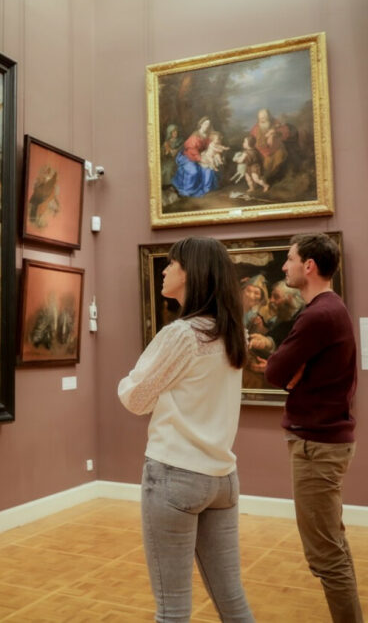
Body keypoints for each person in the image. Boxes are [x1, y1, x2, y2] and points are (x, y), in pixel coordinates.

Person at [118, 237, 254, 622]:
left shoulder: (181, 334)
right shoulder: (233, 333)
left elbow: (135, 399)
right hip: (222, 478)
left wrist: (132, 380)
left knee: (172, 608)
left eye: (172, 264)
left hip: (175, 478)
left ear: (191, 273)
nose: (164, 270)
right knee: (232, 599)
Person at [265, 233, 362, 623]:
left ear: (309, 266)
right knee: (332, 546)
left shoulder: (319, 314)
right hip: (322, 443)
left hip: (317, 447)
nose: (284, 267)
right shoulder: (329, 309)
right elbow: (284, 371)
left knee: (324, 555)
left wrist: (292, 372)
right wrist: (293, 370)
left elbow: (274, 371)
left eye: (289, 260)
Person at [171, 116, 220, 197]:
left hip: (200, 156)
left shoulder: (207, 136)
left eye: (208, 124)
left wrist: (214, 154)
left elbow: (210, 147)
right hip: (188, 156)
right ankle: (187, 191)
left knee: (209, 169)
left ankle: (206, 189)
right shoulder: (195, 136)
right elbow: (191, 149)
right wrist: (200, 159)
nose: (207, 126)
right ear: (201, 124)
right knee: (194, 171)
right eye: (205, 124)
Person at [249, 109, 290, 181]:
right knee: (266, 165)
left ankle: (278, 177)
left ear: (268, 117)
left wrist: (274, 132)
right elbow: (252, 139)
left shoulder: (275, 122)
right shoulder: (256, 128)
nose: (262, 120)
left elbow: (285, 132)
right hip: (263, 151)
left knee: (280, 156)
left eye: (264, 118)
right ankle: (268, 178)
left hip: (276, 149)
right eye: (260, 118)